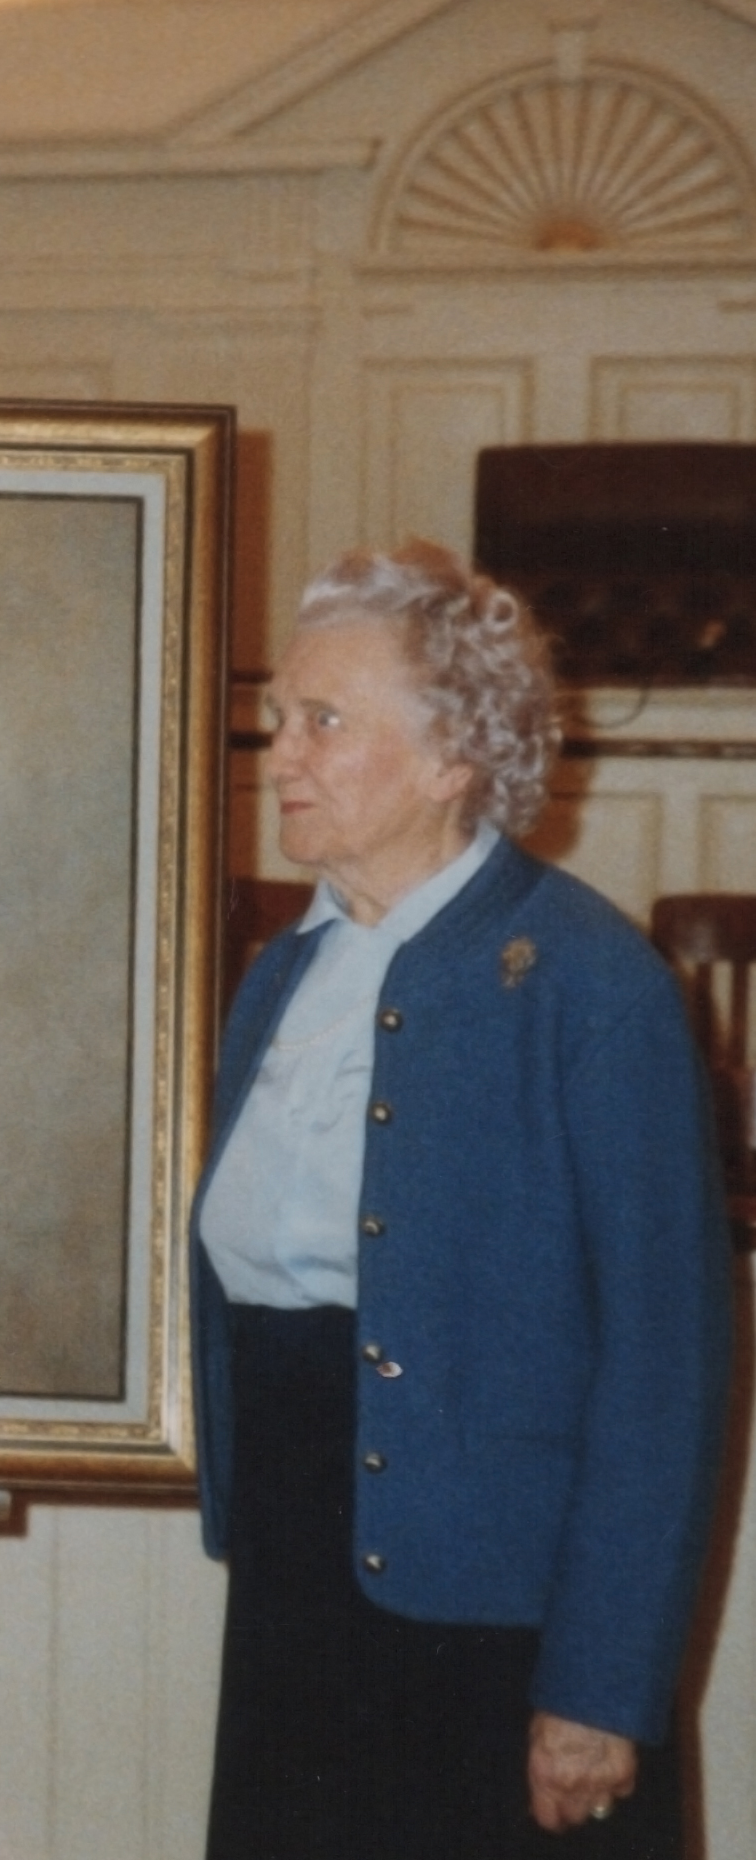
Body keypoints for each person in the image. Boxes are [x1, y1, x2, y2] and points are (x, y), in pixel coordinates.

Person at [193, 542, 734, 1858]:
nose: (284, 755)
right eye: (277, 722)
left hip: (497, 1624)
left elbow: (666, 1366)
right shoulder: (282, 975)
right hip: (299, 1584)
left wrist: (598, 1688)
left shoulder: (588, 987)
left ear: (451, 760)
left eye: (324, 721)